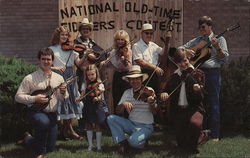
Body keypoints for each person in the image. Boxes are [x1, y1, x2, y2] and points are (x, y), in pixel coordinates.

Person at [179, 16, 229, 141]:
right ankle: (202, 131)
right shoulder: (197, 40)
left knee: (214, 103)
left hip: (213, 73)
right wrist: (187, 51)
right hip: (199, 74)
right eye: (199, 27)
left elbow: (225, 59)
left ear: (210, 26)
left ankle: (215, 135)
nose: (201, 29)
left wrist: (217, 48)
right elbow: (180, 48)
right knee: (200, 103)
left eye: (203, 27)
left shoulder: (220, 39)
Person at [15, 47, 68, 158]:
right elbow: (18, 97)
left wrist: (63, 92)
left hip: (52, 114)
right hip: (35, 112)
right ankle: (40, 153)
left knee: (50, 148)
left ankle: (28, 139)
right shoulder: (30, 78)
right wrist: (34, 99)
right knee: (43, 122)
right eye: (43, 59)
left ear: (52, 61)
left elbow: (63, 98)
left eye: (48, 59)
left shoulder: (59, 78)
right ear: (39, 60)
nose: (46, 62)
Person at [160, 48, 208, 154]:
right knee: (181, 144)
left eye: (185, 60)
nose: (182, 64)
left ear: (189, 59)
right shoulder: (174, 76)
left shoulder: (198, 73)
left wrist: (197, 90)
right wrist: (164, 93)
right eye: (179, 62)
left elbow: (202, 96)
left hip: (194, 109)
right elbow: (166, 90)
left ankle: (196, 141)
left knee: (195, 124)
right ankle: (200, 135)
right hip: (178, 111)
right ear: (176, 63)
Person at [107, 65, 158, 154]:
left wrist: (152, 103)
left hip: (146, 126)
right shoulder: (127, 93)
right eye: (132, 79)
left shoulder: (149, 91)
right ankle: (122, 142)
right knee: (110, 118)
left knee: (133, 141)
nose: (135, 81)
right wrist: (123, 104)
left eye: (137, 78)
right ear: (129, 81)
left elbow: (154, 112)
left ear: (141, 79)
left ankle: (140, 142)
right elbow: (118, 111)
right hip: (131, 124)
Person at [49, 25, 84, 140]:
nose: (64, 37)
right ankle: (69, 131)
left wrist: (86, 55)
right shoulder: (52, 49)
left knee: (69, 102)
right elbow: (47, 66)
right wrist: (56, 69)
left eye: (66, 35)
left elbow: (78, 64)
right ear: (58, 35)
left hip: (70, 75)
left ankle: (65, 131)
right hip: (58, 77)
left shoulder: (72, 49)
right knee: (62, 103)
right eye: (62, 34)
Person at [76, 64, 108, 151]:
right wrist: (79, 98)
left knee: (98, 125)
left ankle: (98, 146)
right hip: (88, 106)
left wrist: (97, 97)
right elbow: (83, 95)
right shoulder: (85, 84)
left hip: (97, 107)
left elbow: (101, 95)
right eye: (88, 75)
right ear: (86, 75)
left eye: (92, 74)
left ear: (96, 74)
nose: (91, 77)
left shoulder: (100, 83)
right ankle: (90, 145)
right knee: (88, 125)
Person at [100, 30, 132, 113]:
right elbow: (110, 62)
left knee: (126, 98)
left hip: (126, 77)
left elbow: (128, 66)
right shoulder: (113, 52)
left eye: (122, 39)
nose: (120, 42)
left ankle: (127, 118)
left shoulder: (127, 51)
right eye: (118, 39)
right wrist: (104, 62)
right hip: (117, 76)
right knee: (117, 97)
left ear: (126, 41)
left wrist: (124, 60)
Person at [132, 23, 164, 94]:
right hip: (144, 75)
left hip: (155, 74)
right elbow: (140, 62)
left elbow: (162, 53)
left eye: (151, 33)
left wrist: (167, 43)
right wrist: (155, 68)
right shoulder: (136, 46)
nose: (149, 35)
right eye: (147, 33)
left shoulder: (153, 45)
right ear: (142, 33)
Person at [74, 18, 103, 89]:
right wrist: (85, 55)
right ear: (80, 31)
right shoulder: (76, 43)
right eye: (83, 29)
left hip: (92, 74)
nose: (85, 30)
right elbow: (76, 61)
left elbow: (101, 54)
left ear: (90, 31)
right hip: (82, 73)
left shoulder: (92, 43)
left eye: (87, 29)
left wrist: (94, 57)